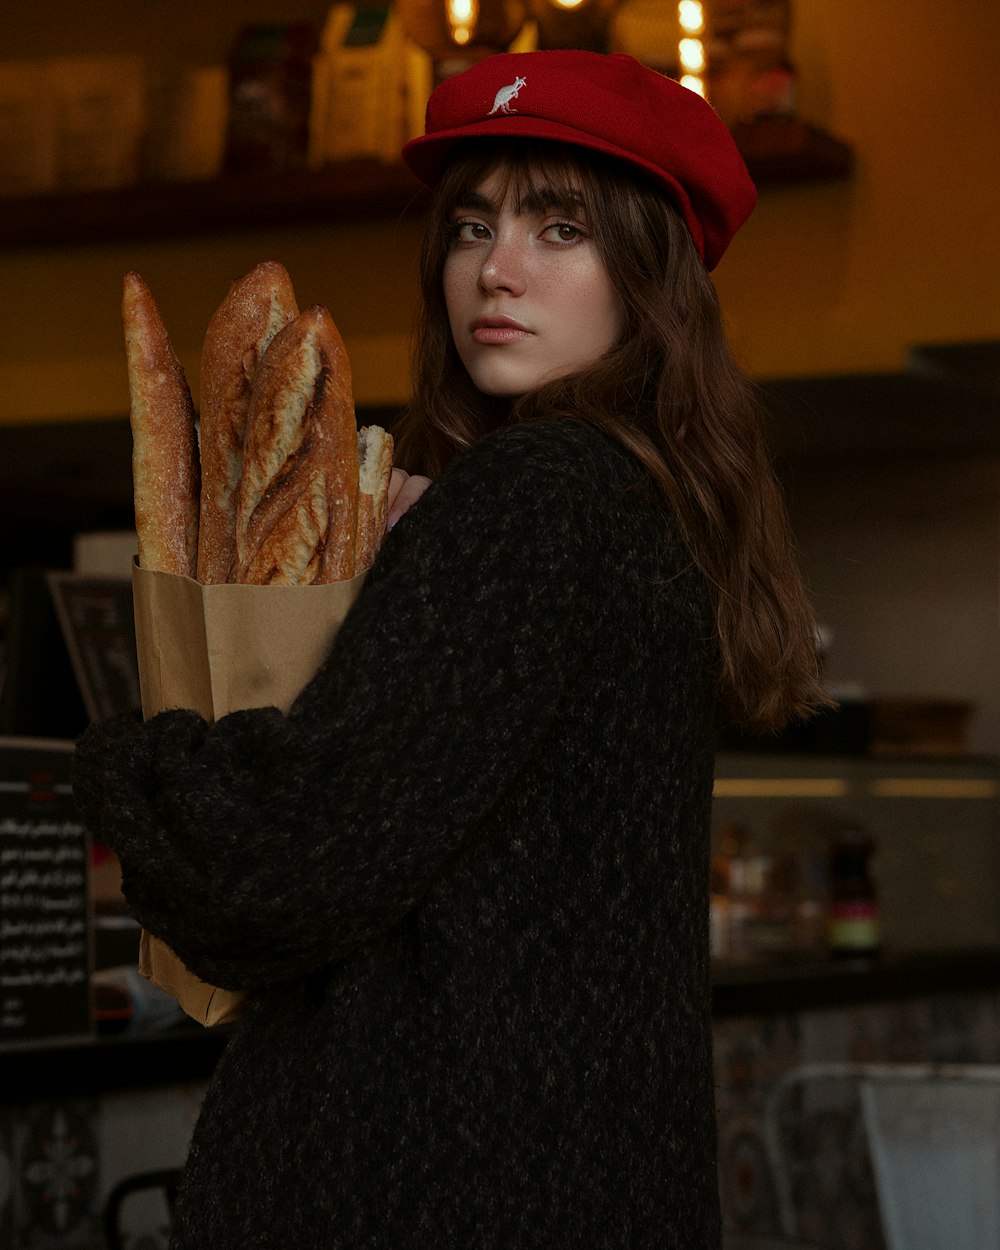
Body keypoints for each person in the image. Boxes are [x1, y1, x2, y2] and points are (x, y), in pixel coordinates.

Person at [73, 50, 827, 1249]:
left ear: (652, 273)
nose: (497, 268)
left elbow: (283, 869)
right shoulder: (643, 505)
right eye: (472, 223)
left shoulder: (537, 495)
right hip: (581, 1177)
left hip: (439, 1188)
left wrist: (119, 754)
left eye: (560, 226)